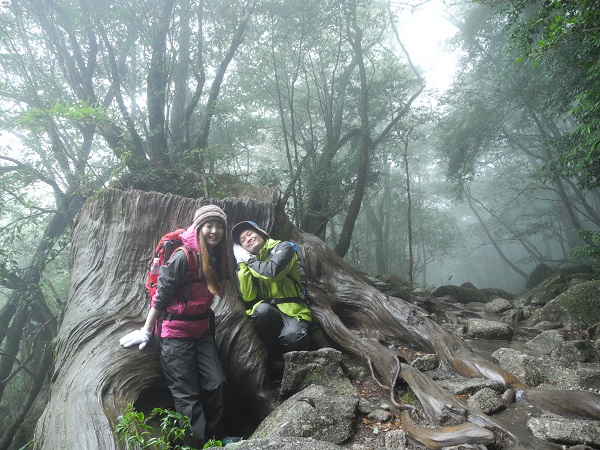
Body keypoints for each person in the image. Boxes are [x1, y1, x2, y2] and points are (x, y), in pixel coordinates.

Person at [119, 205, 229, 448]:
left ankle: (214, 439)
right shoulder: (183, 255)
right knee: (187, 395)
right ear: (199, 227)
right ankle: (197, 445)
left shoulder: (217, 254)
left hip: (201, 332)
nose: (214, 231)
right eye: (209, 225)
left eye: (219, 226)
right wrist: (146, 330)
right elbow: (162, 295)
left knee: (216, 382)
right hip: (175, 333)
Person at [231, 220, 311, 374]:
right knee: (260, 311)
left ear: (261, 233)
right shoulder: (249, 262)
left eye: (249, 233)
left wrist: (249, 260)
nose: (248, 239)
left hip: (294, 310)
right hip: (270, 312)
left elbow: (271, 272)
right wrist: (242, 266)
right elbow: (248, 296)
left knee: (293, 338)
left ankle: (302, 364)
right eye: (242, 240)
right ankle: (277, 357)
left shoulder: (284, 248)